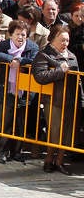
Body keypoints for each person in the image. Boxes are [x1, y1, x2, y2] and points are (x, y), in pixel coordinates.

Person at [0, 20, 39, 164]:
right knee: (6, 120)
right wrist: (12, 58)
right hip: (7, 88)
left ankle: (17, 151)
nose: (20, 37)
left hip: (24, 90)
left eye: (23, 34)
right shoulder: (5, 45)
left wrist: (20, 60)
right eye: (17, 34)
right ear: (11, 35)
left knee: (20, 122)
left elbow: (34, 60)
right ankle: (2, 151)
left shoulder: (32, 46)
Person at [32, 24, 77, 175]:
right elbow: (40, 76)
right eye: (62, 40)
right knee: (55, 132)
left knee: (67, 132)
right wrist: (60, 71)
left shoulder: (72, 55)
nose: (65, 43)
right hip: (53, 100)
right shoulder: (44, 55)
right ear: (53, 39)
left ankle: (60, 161)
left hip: (70, 99)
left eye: (67, 40)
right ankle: (48, 160)